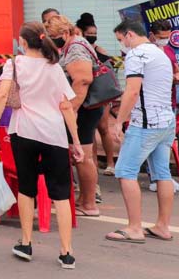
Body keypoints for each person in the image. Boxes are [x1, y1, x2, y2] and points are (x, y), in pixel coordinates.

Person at [0, 21, 83, 269]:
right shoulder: (54, 68)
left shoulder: (13, 64)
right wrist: (75, 140)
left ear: (22, 42)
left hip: (24, 132)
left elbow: (1, 95)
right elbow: (66, 106)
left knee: (27, 188)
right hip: (54, 136)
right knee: (61, 194)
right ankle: (66, 253)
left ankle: (26, 243)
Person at [105, 19, 175, 244]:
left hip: (145, 124)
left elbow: (132, 91)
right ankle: (163, 226)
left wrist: (118, 122)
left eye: (120, 40)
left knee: (125, 171)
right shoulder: (160, 53)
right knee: (162, 174)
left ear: (129, 35)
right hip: (166, 121)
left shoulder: (136, 55)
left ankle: (134, 228)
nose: (121, 46)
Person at [46, 15, 101, 217]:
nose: (53, 40)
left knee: (82, 156)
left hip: (83, 109)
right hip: (81, 108)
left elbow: (83, 80)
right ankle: (84, 200)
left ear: (66, 32)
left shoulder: (76, 46)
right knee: (80, 155)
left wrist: (72, 110)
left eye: (54, 36)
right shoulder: (72, 45)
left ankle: (89, 204)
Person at [147, 19, 179, 193]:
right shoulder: (146, 52)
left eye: (167, 36)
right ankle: (155, 178)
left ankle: (164, 177)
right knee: (152, 143)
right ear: (152, 35)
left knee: (166, 142)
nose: (165, 39)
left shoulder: (170, 50)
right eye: (161, 37)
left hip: (169, 101)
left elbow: (177, 69)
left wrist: (178, 76)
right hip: (153, 103)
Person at [76, 12, 117, 178]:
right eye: (89, 34)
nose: (93, 37)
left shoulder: (100, 51)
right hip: (86, 96)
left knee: (104, 128)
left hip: (101, 94)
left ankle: (110, 163)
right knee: (89, 131)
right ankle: (91, 163)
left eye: (95, 34)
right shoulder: (78, 50)